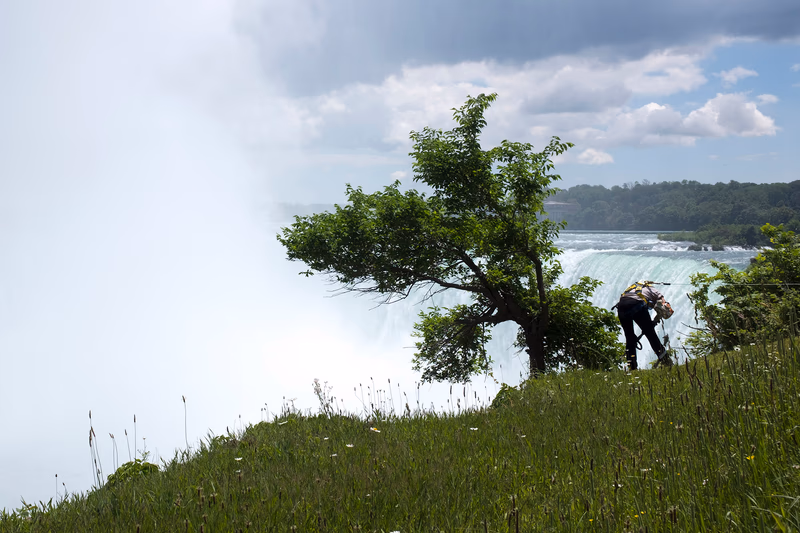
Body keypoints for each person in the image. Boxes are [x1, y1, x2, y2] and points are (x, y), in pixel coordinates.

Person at [615, 280, 671, 371]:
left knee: (629, 338)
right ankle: (667, 362)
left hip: (621, 306)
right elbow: (665, 307)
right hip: (637, 304)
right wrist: (655, 320)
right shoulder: (654, 291)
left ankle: (632, 368)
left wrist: (653, 321)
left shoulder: (631, 289)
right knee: (651, 335)